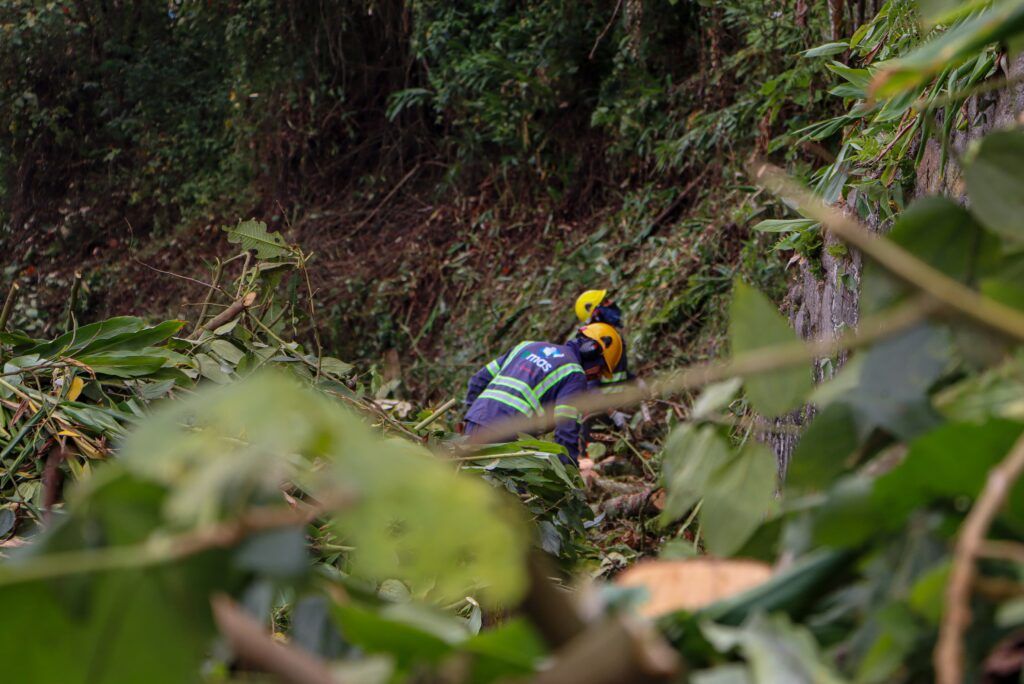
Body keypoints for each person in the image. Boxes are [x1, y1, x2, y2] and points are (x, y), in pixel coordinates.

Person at [462, 323, 623, 466]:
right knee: (509, 495)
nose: (594, 377)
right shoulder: (574, 373)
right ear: (592, 351)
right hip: (508, 434)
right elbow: (566, 428)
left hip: (476, 421)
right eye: (599, 371)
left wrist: (476, 416)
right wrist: (568, 472)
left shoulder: (525, 347)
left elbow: (477, 380)